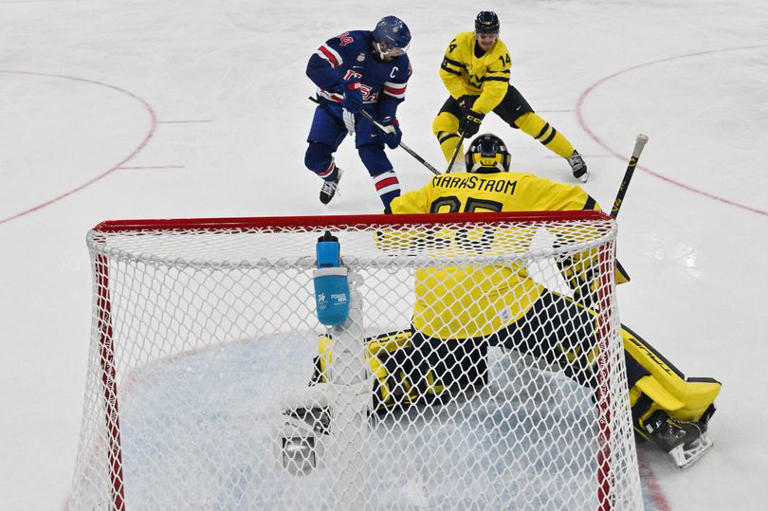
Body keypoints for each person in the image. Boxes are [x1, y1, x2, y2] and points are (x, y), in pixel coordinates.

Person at [381, 133, 721, 468]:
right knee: (591, 332)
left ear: (470, 164)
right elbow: (586, 214)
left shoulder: (437, 187)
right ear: (505, 163)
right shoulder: (523, 184)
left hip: (434, 313)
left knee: (450, 365)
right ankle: (668, 411)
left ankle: (369, 374)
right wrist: (592, 268)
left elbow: (387, 234)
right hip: (502, 305)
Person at [433, 11, 588, 181]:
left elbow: (495, 90)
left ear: (497, 35)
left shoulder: (501, 54)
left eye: (491, 36)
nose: (487, 40)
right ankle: (458, 171)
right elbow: (447, 74)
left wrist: (475, 114)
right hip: (467, 92)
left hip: (498, 94)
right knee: (442, 123)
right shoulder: (460, 43)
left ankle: (571, 154)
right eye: (483, 35)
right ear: (476, 33)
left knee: (531, 122)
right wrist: (464, 100)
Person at [304, 16, 412, 209]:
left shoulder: (401, 64)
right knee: (314, 159)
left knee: (372, 153)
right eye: (396, 48)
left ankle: (395, 209)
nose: (400, 53)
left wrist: (388, 120)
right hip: (332, 105)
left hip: (367, 110)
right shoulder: (352, 42)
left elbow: (391, 98)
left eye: (402, 49)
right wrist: (343, 88)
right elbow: (315, 65)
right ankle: (332, 176)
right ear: (382, 43)